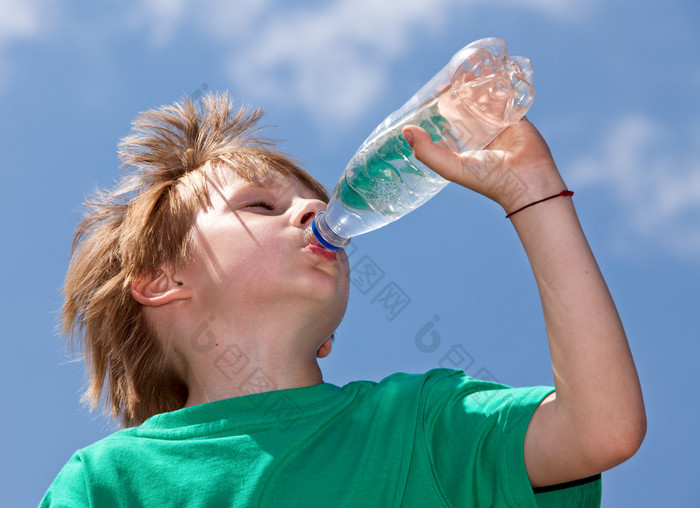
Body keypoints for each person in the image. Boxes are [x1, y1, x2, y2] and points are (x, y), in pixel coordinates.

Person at [40, 92, 646, 507]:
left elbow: (602, 429)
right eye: (261, 205)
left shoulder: (420, 421)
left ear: (329, 337)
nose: (313, 210)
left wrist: (534, 195)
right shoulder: (108, 481)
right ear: (161, 282)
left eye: (315, 202)